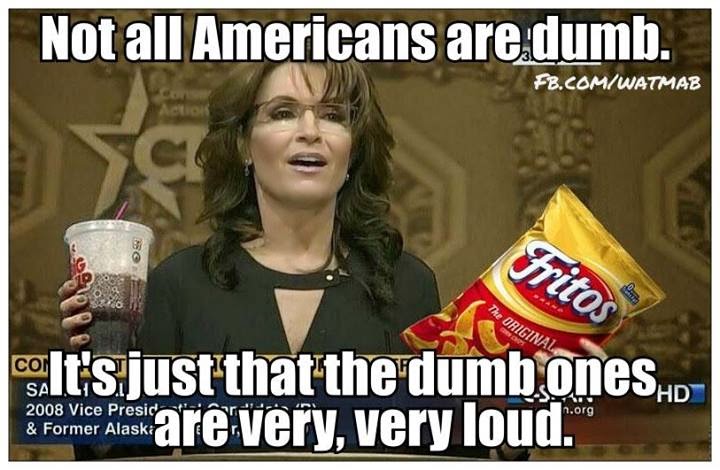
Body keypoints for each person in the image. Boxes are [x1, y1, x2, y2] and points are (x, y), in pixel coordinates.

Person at [58, 59, 606, 460]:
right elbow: (117, 457)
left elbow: (448, 454)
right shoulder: (180, 283)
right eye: (283, 112)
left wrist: (518, 412)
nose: (310, 131)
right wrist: (91, 369)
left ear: (353, 148)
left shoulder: (407, 285)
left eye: (333, 115)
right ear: (244, 144)